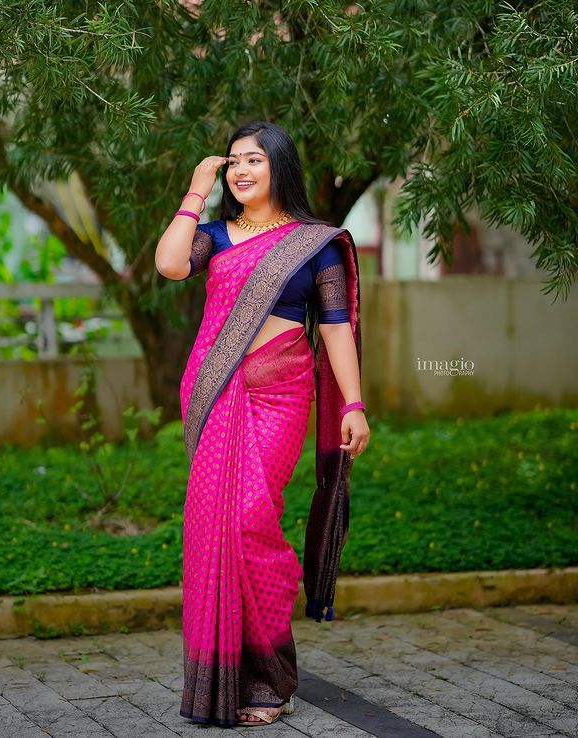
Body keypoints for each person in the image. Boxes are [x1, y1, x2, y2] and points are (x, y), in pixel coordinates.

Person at [155, 121, 370, 727]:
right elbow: (170, 264)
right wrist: (196, 190)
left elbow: (333, 328)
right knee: (213, 529)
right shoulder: (217, 235)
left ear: (281, 167)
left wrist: (353, 403)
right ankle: (233, 679)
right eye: (233, 163)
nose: (241, 171)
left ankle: (273, 674)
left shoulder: (314, 243)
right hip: (215, 391)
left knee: (250, 518)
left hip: (281, 393)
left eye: (254, 160)